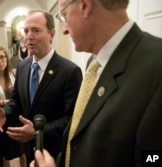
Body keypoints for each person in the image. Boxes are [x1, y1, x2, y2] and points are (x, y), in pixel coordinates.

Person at [31, 0, 162, 167]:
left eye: (64, 15)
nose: (64, 29)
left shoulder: (157, 68)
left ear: (85, 6)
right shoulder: (94, 64)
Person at [0, 9, 83, 165]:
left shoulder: (70, 71)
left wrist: (37, 132)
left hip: (55, 153)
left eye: (36, 30)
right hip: (28, 149)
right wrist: (5, 113)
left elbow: (71, 119)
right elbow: (16, 99)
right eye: (26, 31)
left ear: (52, 34)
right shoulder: (22, 66)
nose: (29, 36)